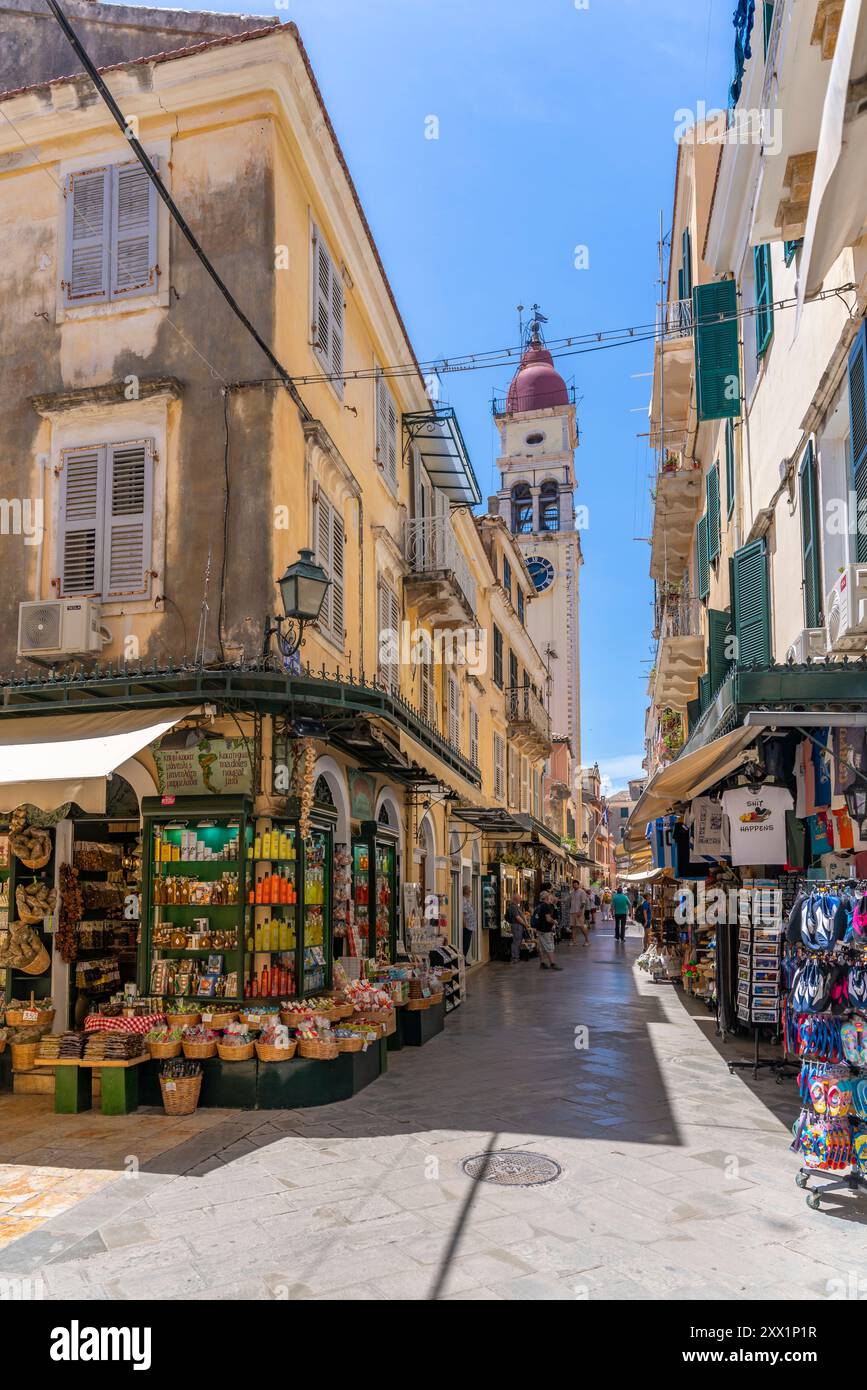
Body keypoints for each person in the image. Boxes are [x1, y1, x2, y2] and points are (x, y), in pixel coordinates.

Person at [531, 889, 562, 970]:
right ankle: (552, 963)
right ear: (546, 897)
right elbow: (548, 919)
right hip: (545, 929)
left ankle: (542, 963)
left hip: (539, 928)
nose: (550, 897)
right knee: (549, 946)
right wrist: (554, 921)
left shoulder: (539, 905)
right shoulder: (546, 906)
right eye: (548, 896)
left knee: (540, 946)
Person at [505, 894, 528, 963]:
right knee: (516, 941)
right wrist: (525, 924)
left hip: (519, 925)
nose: (521, 899)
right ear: (516, 899)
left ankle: (516, 956)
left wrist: (525, 922)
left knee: (518, 941)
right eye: (519, 898)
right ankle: (514, 957)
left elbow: (522, 915)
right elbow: (517, 917)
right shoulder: (513, 907)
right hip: (516, 926)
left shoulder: (517, 907)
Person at [569, 879, 590, 945]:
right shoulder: (572, 892)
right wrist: (558, 899)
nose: (574, 886)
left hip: (579, 912)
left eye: (575, 885)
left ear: (578, 885)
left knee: (581, 926)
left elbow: (583, 902)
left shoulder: (582, 892)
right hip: (572, 911)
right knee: (573, 926)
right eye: (573, 885)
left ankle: (587, 940)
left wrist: (580, 911)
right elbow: (567, 899)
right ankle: (574, 941)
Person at [461, 884, 476, 960]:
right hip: (467, 926)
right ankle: (463, 959)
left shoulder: (467, 900)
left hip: (470, 926)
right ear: (466, 892)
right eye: (469, 891)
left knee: (467, 944)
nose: (470, 892)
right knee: (465, 944)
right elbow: (463, 913)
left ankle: (464, 958)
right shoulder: (463, 900)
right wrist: (464, 923)